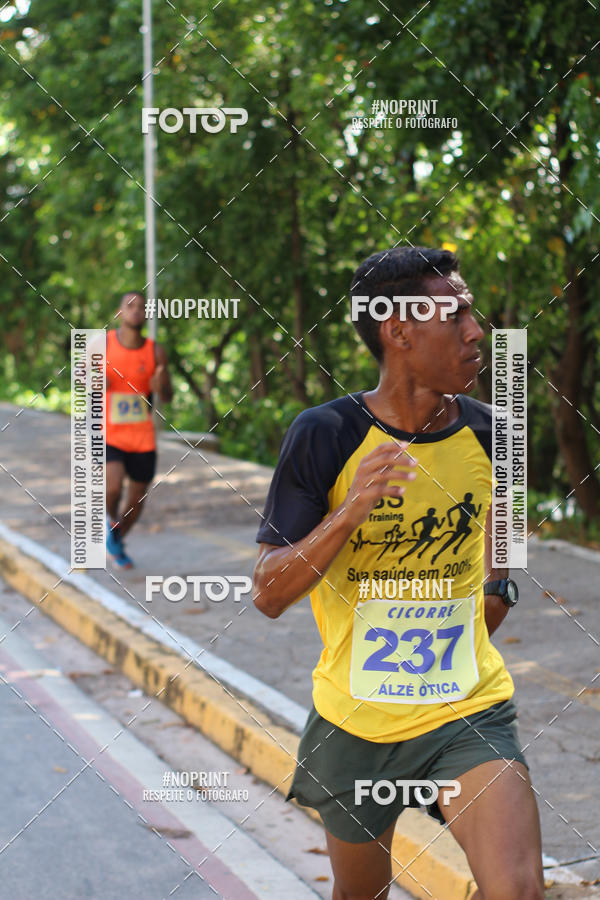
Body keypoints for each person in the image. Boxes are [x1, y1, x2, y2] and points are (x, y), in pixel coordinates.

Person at [253, 247, 543, 900]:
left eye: (474, 313)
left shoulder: (498, 435)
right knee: (361, 895)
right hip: (355, 724)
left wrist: (497, 588)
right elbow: (268, 592)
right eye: (457, 313)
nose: (477, 331)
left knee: (518, 890)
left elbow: (509, 535)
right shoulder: (323, 435)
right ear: (399, 330)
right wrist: (350, 512)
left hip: (467, 712)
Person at [105, 291, 173, 568]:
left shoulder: (155, 351)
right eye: (129, 306)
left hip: (143, 437)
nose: (136, 311)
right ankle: (109, 520)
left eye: (141, 307)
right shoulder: (104, 345)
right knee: (112, 485)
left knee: (136, 501)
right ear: (120, 313)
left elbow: (167, 396)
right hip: (110, 432)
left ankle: (117, 536)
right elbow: (83, 381)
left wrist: (161, 385)